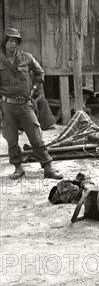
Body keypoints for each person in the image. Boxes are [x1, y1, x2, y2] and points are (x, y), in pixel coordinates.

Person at [0, 27, 62, 180]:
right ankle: (18, 168)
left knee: (36, 137)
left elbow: (40, 72)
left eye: (16, 41)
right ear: (5, 43)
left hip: (25, 104)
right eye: (11, 41)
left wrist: (34, 89)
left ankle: (48, 167)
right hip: (8, 106)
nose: (14, 44)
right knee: (11, 140)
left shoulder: (26, 58)